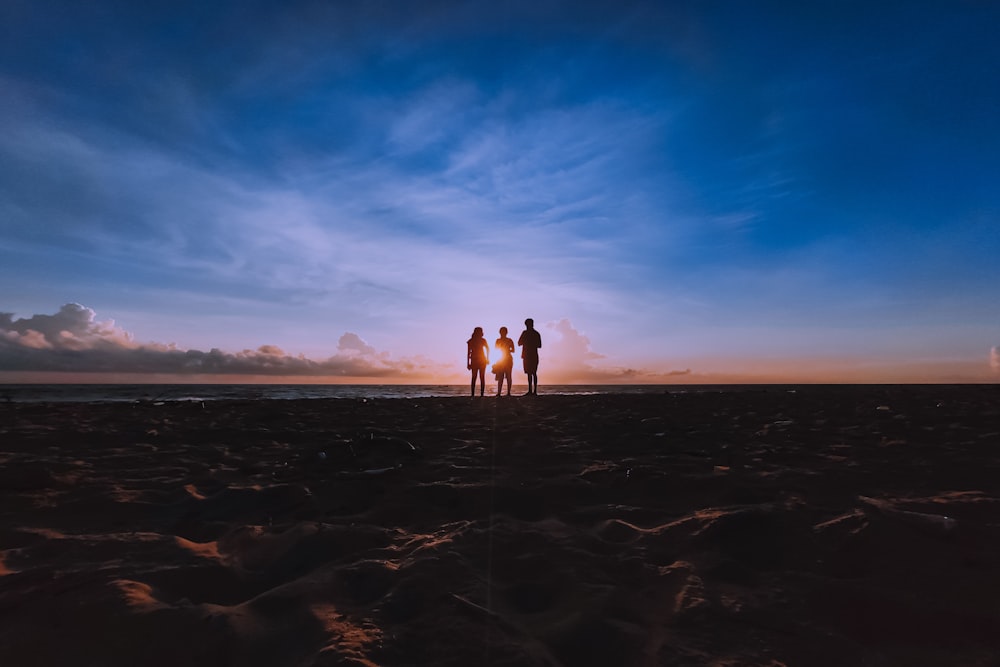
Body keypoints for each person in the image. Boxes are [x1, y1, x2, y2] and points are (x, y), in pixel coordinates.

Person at [517, 318, 542, 395]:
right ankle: (531, 390)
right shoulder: (530, 333)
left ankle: (533, 391)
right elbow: (519, 343)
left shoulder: (534, 333)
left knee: (533, 373)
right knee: (530, 373)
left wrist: (528, 342)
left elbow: (539, 345)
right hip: (528, 355)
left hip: (531, 355)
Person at [466, 327, 490, 397]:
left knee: (477, 377)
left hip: (479, 360)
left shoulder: (472, 341)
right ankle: (477, 394)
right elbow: (488, 349)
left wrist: (468, 363)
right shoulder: (474, 341)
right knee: (478, 377)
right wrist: (468, 363)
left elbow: (488, 349)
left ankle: (475, 394)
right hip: (478, 360)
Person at [493, 326, 515, 397]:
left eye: (504, 332)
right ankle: (499, 392)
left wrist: (507, 350)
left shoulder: (509, 340)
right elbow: (496, 349)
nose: (503, 333)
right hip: (501, 359)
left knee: (508, 376)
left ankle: (508, 392)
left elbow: (513, 350)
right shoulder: (498, 340)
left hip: (507, 359)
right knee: (501, 376)